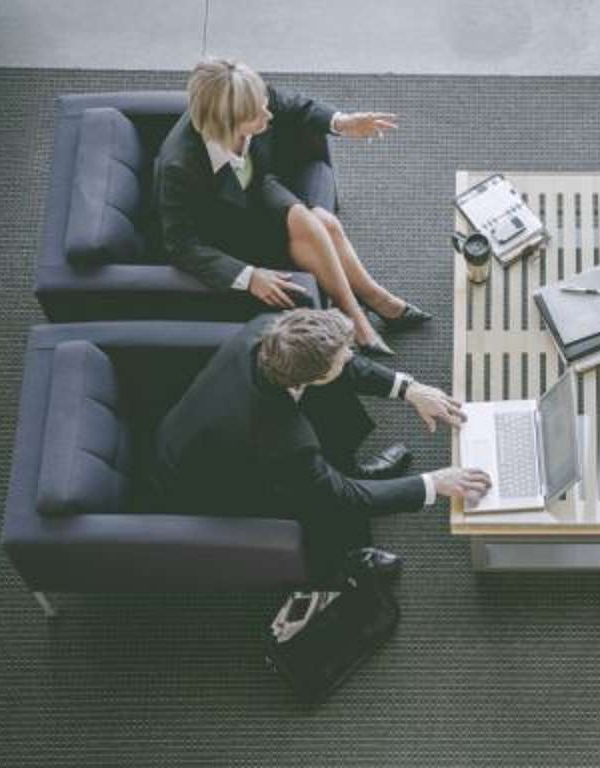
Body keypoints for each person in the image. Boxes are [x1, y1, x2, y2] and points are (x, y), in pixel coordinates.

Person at [153, 309, 491, 581]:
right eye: (343, 357)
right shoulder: (283, 439)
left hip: (198, 431)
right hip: (213, 487)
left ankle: (349, 467)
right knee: (325, 500)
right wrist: (434, 483)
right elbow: (343, 496)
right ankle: (341, 560)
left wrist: (409, 389)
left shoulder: (273, 333)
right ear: (311, 377)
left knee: (332, 397)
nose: (351, 355)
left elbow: (341, 365)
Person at [154, 57, 428, 356]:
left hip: (257, 190)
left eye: (264, 104)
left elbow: (295, 105)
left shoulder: (250, 100)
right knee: (319, 222)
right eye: (257, 114)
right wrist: (248, 277)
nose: (268, 114)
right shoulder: (179, 166)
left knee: (323, 221)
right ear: (226, 123)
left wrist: (343, 123)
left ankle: (370, 303)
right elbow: (181, 244)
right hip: (227, 230)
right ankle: (365, 313)